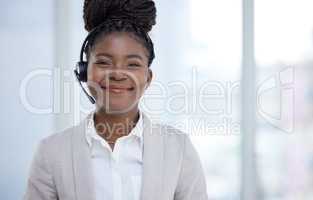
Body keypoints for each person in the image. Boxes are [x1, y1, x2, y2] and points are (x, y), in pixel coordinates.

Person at [24, 0, 208, 199]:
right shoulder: (51, 153)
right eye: (103, 62)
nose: (118, 74)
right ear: (84, 72)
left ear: (148, 78)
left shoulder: (178, 150)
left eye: (132, 64)